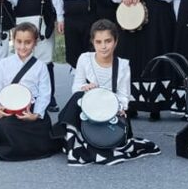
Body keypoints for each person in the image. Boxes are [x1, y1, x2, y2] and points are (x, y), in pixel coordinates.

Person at [53, 19, 160, 165]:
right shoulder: (84, 59)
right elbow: (76, 87)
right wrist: (86, 88)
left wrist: (119, 108)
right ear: (93, 42)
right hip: (89, 106)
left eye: (108, 41)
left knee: (116, 125)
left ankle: (96, 143)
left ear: (115, 41)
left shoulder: (122, 65)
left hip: (111, 110)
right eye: (98, 42)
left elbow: (124, 96)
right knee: (77, 97)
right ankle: (74, 144)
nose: (103, 46)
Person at [111, 0, 177, 119]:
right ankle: (130, 103)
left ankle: (154, 106)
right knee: (129, 59)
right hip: (128, 20)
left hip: (154, 19)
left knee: (151, 57)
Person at [0, 22, 60, 161]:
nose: (22, 46)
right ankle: (13, 148)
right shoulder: (4, 64)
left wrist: (36, 114)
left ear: (35, 43)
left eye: (27, 42)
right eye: (19, 42)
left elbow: (45, 94)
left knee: (41, 126)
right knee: (7, 126)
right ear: (13, 41)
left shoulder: (41, 67)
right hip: (7, 109)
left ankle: (22, 147)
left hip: (30, 109)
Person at [9, 0, 59, 110]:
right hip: (20, 15)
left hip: (43, 13)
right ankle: (22, 94)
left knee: (45, 57)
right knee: (23, 55)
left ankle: (49, 97)